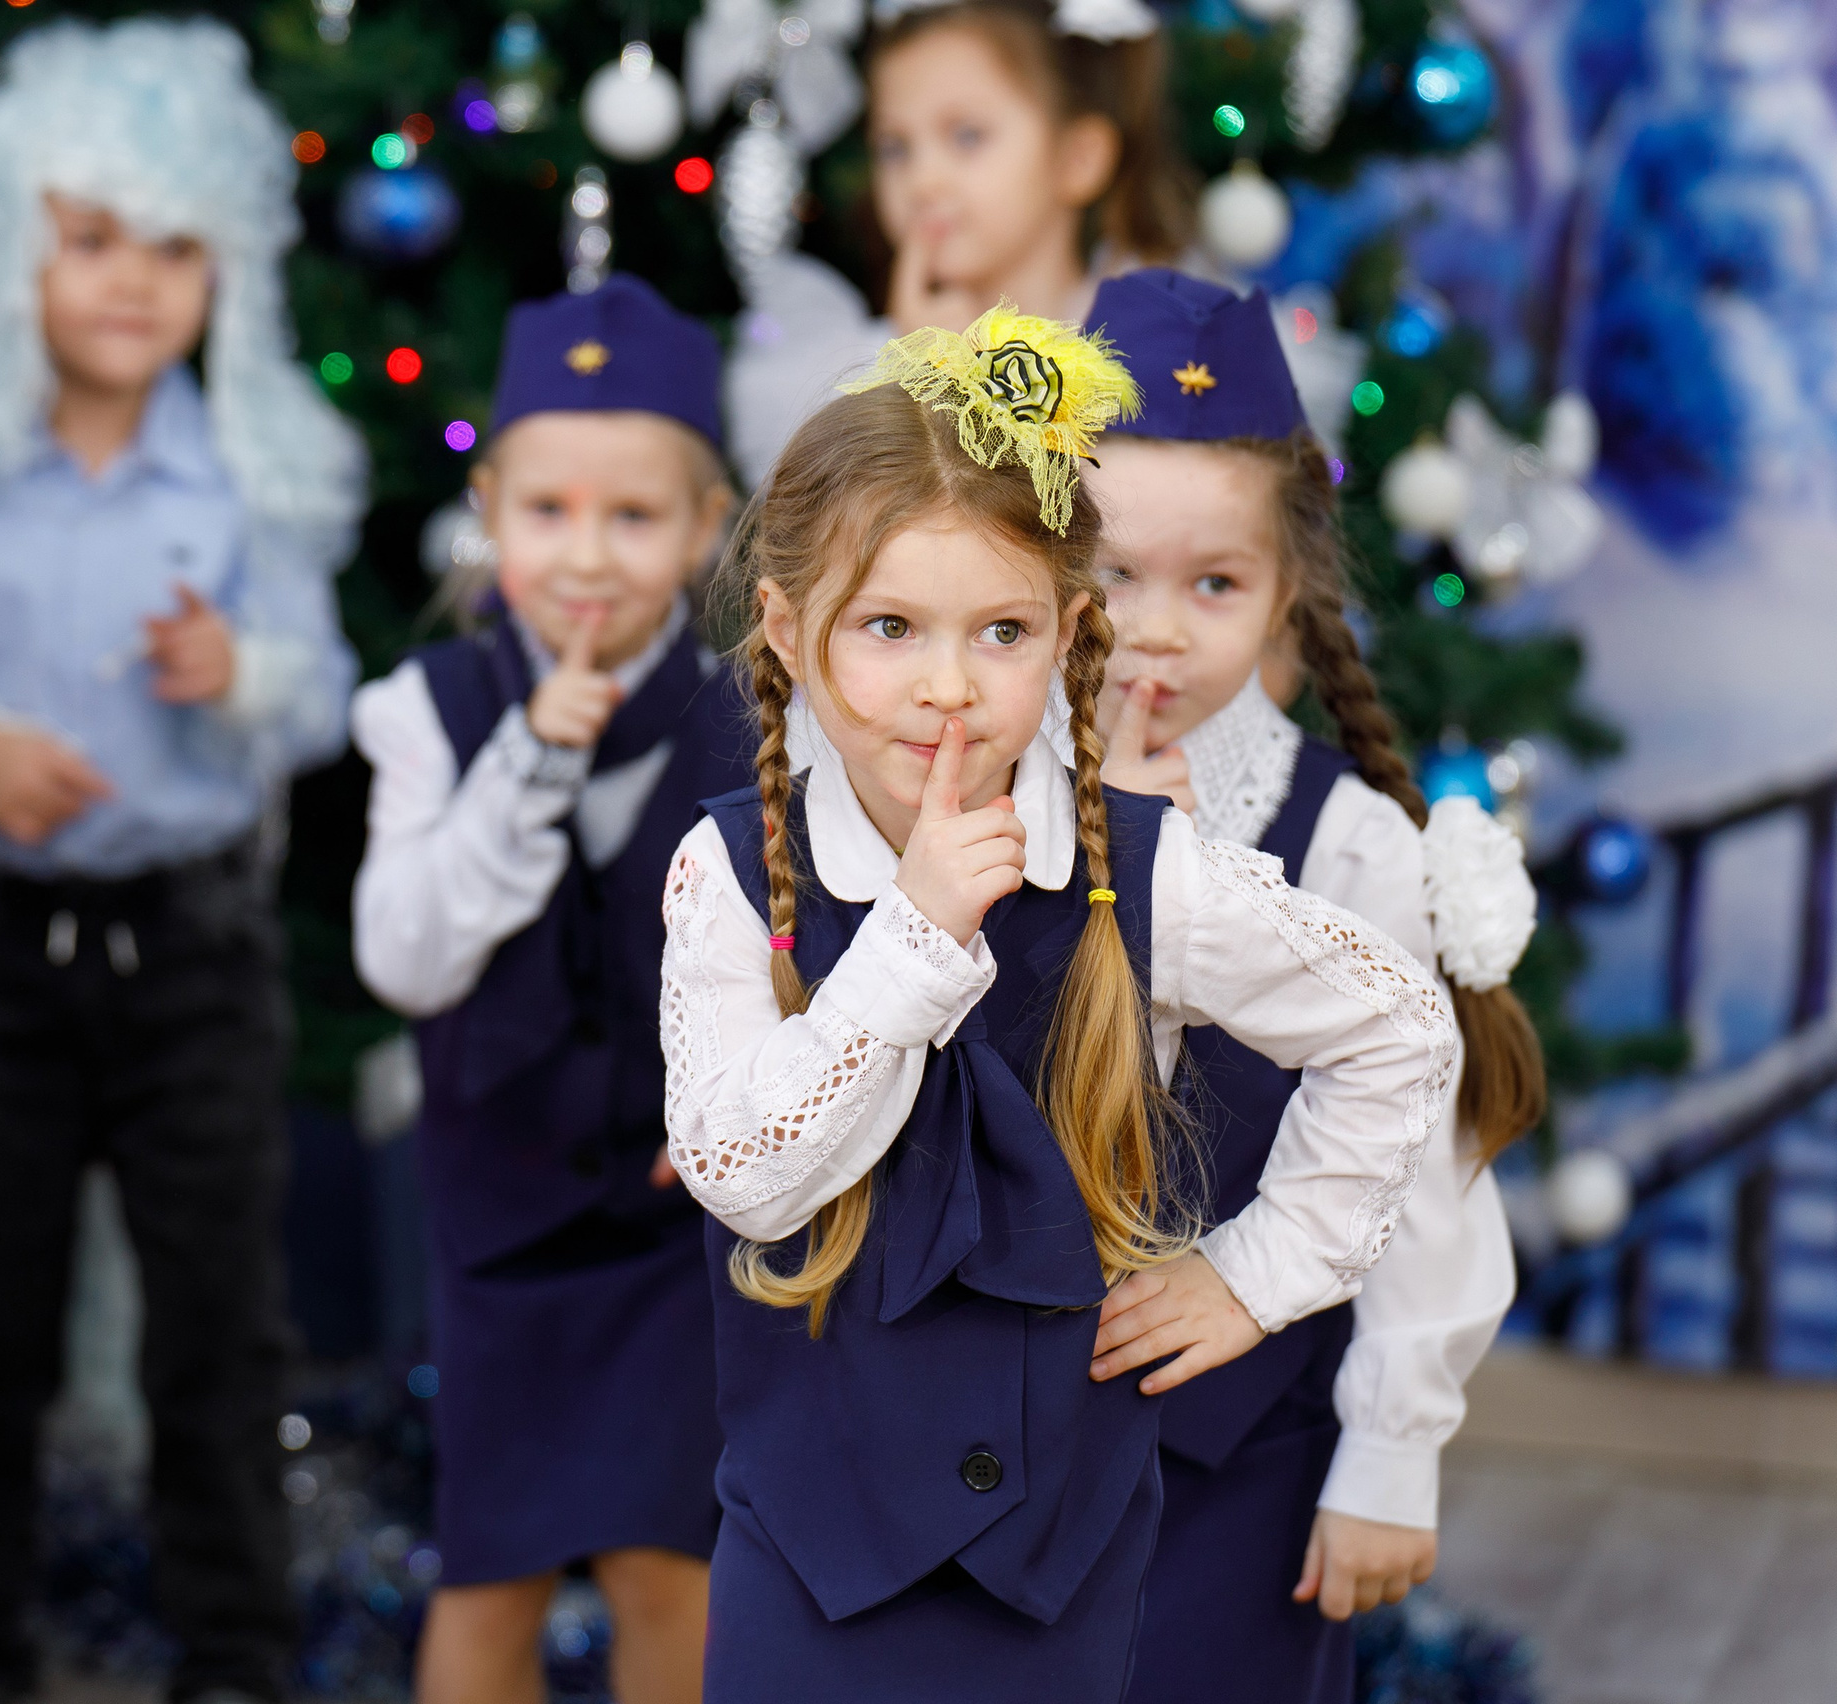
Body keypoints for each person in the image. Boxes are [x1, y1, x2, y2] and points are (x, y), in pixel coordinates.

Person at [657, 307, 1458, 1700]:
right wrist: (910, 942)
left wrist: (1257, 1271)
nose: (948, 688)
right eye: (889, 627)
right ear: (785, 630)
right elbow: (743, 1174)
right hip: (809, 1557)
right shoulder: (730, 874)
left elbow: (1399, 1026)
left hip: (1057, 1573)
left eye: (1003, 631)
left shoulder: (1138, 875)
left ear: (1069, 633)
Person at [0, 19, 364, 1704]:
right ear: (14, 249)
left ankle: (233, 1652)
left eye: (173, 246)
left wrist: (243, 673)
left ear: (225, 263)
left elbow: (327, 691)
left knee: (215, 1327)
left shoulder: (247, 470)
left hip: (196, 949)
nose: (133, 282)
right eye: (92, 238)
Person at [1077, 268, 1527, 1703]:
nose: (1156, 629)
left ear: (1286, 596)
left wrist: (1391, 1447)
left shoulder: (1345, 840)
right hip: (994, 1447)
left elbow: (1421, 1156)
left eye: (1213, 583)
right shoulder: (971, 792)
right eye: (1112, 575)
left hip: (1240, 1463)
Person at [351, 275, 744, 1704]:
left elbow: (799, 949)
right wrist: (522, 764)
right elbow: (403, 957)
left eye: (632, 516)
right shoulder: (429, 711)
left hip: (674, 1236)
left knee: (669, 1565)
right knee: (491, 1569)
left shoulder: (754, 723)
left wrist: (743, 1104)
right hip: (498, 1219)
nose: (586, 555)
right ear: (491, 515)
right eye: (547, 511)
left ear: (704, 527)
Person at [724, 0, 1195, 487]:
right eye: (894, 148)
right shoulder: (850, 381)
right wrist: (921, 384)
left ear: (1078, 158)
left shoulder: (1153, 357)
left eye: (967, 136)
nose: (923, 180)